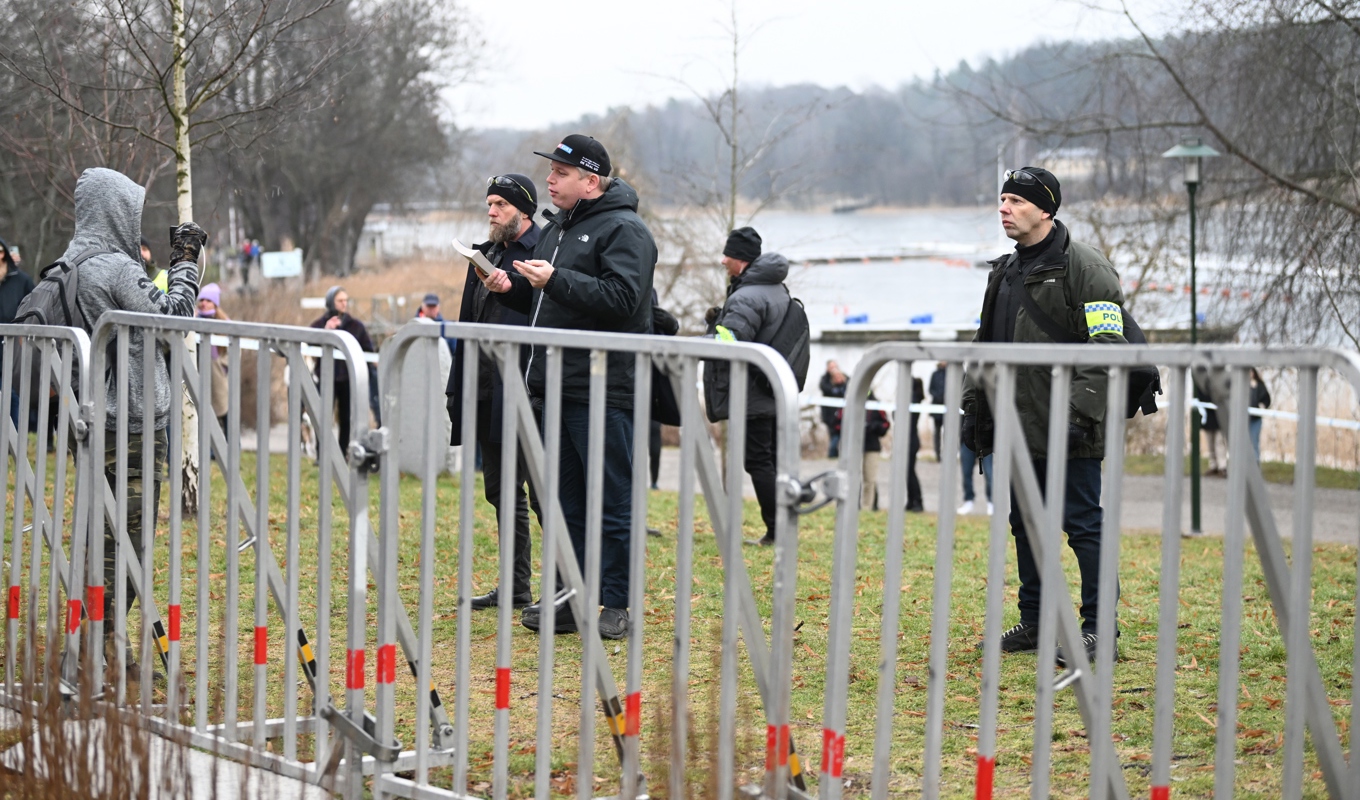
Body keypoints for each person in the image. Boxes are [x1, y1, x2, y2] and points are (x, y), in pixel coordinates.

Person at [478, 136, 656, 640]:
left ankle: (616, 604)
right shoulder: (558, 227)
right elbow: (550, 306)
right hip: (554, 386)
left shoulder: (627, 230)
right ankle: (569, 598)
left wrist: (553, 281)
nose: (550, 180)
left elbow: (622, 299)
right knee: (563, 503)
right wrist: (511, 291)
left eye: (560, 172)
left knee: (613, 501)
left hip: (604, 389)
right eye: (551, 171)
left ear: (591, 181)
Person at [961, 166, 1127, 667]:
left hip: (1070, 425)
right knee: (1026, 524)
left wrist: (1079, 415)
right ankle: (1035, 620)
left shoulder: (1086, 267)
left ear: (1045, 210)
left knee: (1082, 525)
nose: (1003, 208)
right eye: (1002, 199)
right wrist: (974, 406)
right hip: (1014, 425)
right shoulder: (1004, 270)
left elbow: (1107, 345)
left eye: (1014, 200)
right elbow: (985, 345)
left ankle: (1100, 630)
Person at [63, 168, 202, 658]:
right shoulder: (117, 268)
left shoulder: (70, 262)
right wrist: (186, 261)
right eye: (131, 209)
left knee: (99, 536)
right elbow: (174, 318)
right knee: (129, 542)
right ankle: (95, 648)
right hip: (135, 424)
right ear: (115, 211)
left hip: (93, 418)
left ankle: (96, 643)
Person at [446, 173, 542, 612]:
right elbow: (468, 321)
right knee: (501, 492)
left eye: (500, 205)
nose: (491, 212)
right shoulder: (483, 255)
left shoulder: (543, 252)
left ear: (523, 210)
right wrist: (459, 385)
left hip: (525, 389)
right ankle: (517, 587)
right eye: (489, 204)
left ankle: (567, 588)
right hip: (485, 389)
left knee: (543, 494)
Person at [707, 226, 793, 547]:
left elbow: (731, 340)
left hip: (755, 393)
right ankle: (782, 526)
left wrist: (709, 335)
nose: (723, 260)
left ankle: (776, 530)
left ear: (740, 260)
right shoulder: (775, 288)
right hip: (773, 387)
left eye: (727, 254)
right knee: (771, 460)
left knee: (758, 461)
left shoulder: (747, 295)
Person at [309, 286, 376, 451]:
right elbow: (308, 343)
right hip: (326, 377)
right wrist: (326, 332)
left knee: (345, 418)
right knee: (323, 416)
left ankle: (342, 451)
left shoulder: (356, 326)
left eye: (346, 300)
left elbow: (368, 350)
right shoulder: (319, 324)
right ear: (331, 302)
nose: (344, 304)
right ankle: (321, 453)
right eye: (340, 300)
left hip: (347, 378)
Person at [197, 283, 230, 433]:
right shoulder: (193, 319)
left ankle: (231, 447)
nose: (204, 303)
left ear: (215, 304)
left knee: (224, 409)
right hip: (198, 374)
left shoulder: (224, 324)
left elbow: (234, 351)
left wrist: (222, 365)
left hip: (218, 375)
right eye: (202, 299)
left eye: (208, 300)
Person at [854, 391, 890, 509]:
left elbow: (885, 425)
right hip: (854, 446)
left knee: (870, 479)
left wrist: (873, 426)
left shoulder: (876, 405)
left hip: (872, 446)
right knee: (852, 478)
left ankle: (867, 507)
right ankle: (852, 506)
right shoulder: (852, 401)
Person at [819, 360, 848, 458]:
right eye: (831, 367)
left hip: (844, 415)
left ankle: (844, 456)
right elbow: (824, 388)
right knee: (834, 437)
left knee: (845, 436)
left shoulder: (846, 380)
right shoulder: (825, 380)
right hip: (831, 416)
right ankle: (833, 456)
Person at [958, 439, 994, 516]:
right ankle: (968, 500)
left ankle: (991, 502)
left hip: (985, 441)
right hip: (967, 439)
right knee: (966, 472)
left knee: (989, 473)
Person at [905, 376, 925, 512]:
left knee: (910, 471)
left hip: (910, 439)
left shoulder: (912, 399)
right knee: (908, 471)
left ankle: (917, 500)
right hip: (910, 438)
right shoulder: (913, 399)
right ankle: (911, 500)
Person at [417, 292, 456, 357]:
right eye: (429, 306)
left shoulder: (447, 328)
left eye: (434, 306)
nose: (431, 309)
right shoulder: (414, 326)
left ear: (438, 307)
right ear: (422, 307)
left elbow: (454, 352)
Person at [1248, 368, 1271, 460]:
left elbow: (1267, 399)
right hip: (1244, 419)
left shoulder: (1260, 385)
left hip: (1255, 419)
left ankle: (1255, 464)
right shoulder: (1242, 385)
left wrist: (1263, 405)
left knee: (1254, 442)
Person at [928, 361, 947, 458]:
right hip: (936, 405)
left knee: (948, 431)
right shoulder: (935, 374)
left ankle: (947, 452)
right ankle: (938, 453)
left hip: (948, 406)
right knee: (937, 430)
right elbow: (930, 389)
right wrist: (938, 396)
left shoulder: (951, 373)